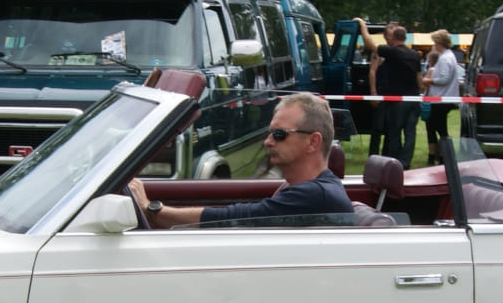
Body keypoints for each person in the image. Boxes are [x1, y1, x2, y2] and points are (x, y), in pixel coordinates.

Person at [129, 93, 352, 228]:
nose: (268, 142)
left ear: (313, 142)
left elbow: (236, 218)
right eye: (270, 132)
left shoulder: (315, 196)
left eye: (280, 134)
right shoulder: (307, 191)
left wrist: (152, 210)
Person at [359, 18, 421, 167]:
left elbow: (369, 44)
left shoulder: (392, 52)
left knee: (394, 132)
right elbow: (419, 78)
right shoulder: (414, 54)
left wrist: (362, 25)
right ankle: (406, 162)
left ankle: (395, 161)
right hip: (414, 99)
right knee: (410, 133)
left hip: (398, 100)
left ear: (392, 38)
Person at [421, 29, 459, 165]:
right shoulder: (449, 56)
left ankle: (444, 156)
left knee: (440, 128)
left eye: (435, 42)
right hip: (442, 98)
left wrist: (429, 81)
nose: (433, 45)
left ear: (439, 43)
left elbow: (444, 78)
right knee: (436, 127)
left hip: (441, 98)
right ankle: (438, 156)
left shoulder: (444, 58)